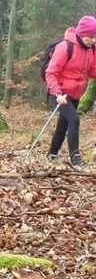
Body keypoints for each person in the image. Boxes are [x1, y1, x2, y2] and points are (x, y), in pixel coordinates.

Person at [45, 15, 96, 168]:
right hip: (59, 94)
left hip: (75, 94)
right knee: (74, 119)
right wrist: (57, 93)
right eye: (91, 37)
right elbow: (50, 72)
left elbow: (92, 72)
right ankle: (75, 159)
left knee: (63, 124)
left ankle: (51, 155)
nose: (94, 40)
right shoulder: (65, 47)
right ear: (82, 34)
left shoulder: (91, 50)